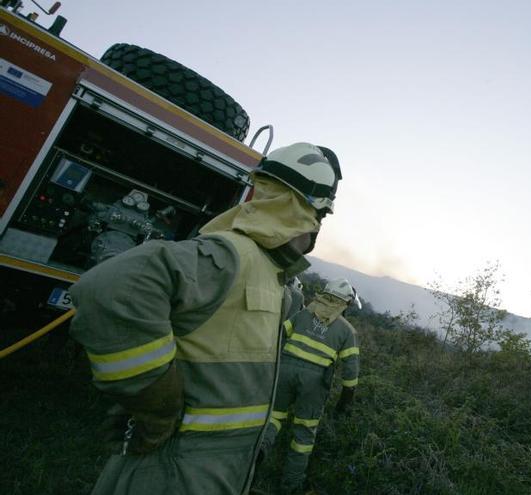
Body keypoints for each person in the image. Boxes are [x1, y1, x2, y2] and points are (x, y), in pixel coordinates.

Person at [68, 142, 342, 495]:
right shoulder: (233, 256)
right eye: (320, 218)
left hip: (210, 470)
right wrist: (155, 403)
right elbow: (110, 289)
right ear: (304, 214)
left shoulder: (270, 274)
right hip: (174, 470)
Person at [262, 278, 361, 493]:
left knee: (273, 418)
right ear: (346, 303)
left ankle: (259, 453)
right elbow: (351, 374)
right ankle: (290, 486)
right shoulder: (347, 331)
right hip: (314, 382)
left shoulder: (304, 313)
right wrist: (344, 403)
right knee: (303, 434)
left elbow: (280, 333)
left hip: (285, 370)